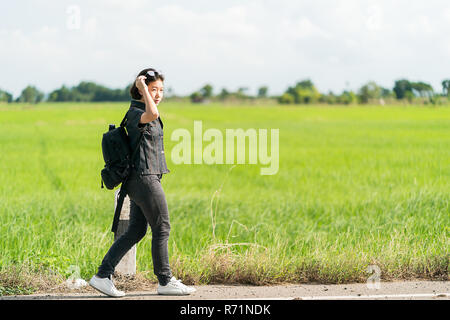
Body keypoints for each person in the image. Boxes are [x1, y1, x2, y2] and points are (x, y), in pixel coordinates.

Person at [89, 68, 196, 297]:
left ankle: (102, 276)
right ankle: (165, 281)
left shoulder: (141, 110)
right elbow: (153, 114)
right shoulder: (137, 113)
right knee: (162, 227)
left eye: (160, 90)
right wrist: (142, 89)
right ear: (140, 90)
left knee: (136, 230)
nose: (157, 94)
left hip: (145, 178)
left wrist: (145, 90)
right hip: (144, 179)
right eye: (152, 89)